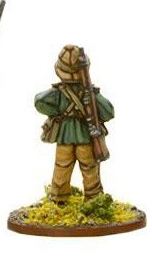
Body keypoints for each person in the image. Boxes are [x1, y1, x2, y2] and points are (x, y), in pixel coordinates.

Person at [34, 45, 114, 202]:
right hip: (85, 137)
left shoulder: (60, 93)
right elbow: (107, 111)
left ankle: (60, 198)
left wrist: (58, 112)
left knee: (63, 168)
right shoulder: (88, 93)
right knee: (88, 169)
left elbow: (40, 101)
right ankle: (92, 198)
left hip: (68, 137)